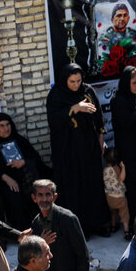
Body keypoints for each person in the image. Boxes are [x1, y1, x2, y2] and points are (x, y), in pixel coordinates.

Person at [46, 64, 109, 236]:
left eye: (78, 80)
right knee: (74, 187)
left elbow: (98, 115)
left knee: (93, 184)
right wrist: (74, 109)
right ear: (65, 80)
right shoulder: (56, 95)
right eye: (72, 81)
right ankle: (79, 229)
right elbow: (53, 119)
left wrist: (101, 137)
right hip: (68, 150)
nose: (76, 85)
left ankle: (98, 224)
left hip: (89, 146)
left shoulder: (87, 91)